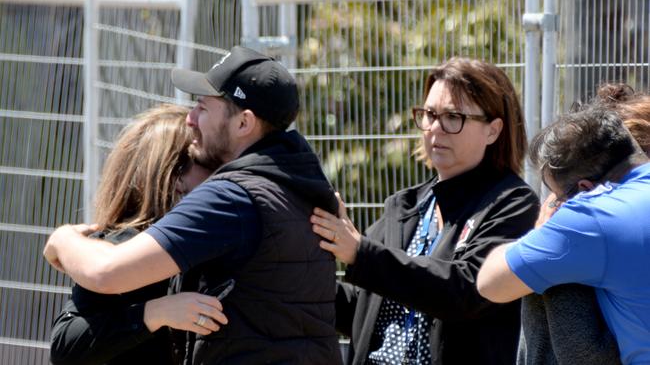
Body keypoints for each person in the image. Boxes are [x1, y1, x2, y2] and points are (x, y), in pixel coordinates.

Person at [43, 46, 343, 364]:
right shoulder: (307, 190)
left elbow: (105, 271)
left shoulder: (231, 198)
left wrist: (64, 239)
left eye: (202, 107)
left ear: (244, 123)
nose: (190, 118)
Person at [311, 58, 540, 364]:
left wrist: (361, 254)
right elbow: (365, 307)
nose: (435, 129)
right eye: (430, 114)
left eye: (453, 117)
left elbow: (465, 291)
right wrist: (290, 278)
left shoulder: (513, 204)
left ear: (493, 130)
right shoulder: (404, 206)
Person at [477, 106, 650, 364]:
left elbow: (490, 283)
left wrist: (544, 226)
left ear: (585, 188)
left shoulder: (591, 217)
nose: (557, 203)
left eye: (558, 196)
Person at [49, 104, 217, 365]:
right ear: (173, 175)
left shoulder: (216, 235)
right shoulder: (120, 246)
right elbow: (66, 346)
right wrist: (156, 313)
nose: (222, 175)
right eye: (208, 163)